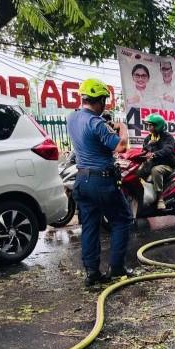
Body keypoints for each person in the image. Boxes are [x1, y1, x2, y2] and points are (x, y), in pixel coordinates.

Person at [67, 79, 132, 286]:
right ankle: (117, 268)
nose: (104, 104)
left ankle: (92, 273)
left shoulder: (72, 118)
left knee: (90, 226)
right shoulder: (97, 123)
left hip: (82, 180)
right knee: (122, 219)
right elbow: (121, 147)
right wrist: (122, 127)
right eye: (104, 100)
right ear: (99, 100)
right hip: (102, 181)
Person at [139, 113, 175, 208]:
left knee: (155, 170)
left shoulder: (168, 137)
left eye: (151, 125)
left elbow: (168, 150)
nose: (149, 127)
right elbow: (144, 150)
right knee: (138, 172)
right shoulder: (149, 138)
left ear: (158, 126)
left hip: (166, 165)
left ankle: (160, 198)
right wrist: (148, 146)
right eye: (148, 125)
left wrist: (155, 154)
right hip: (152, 163)